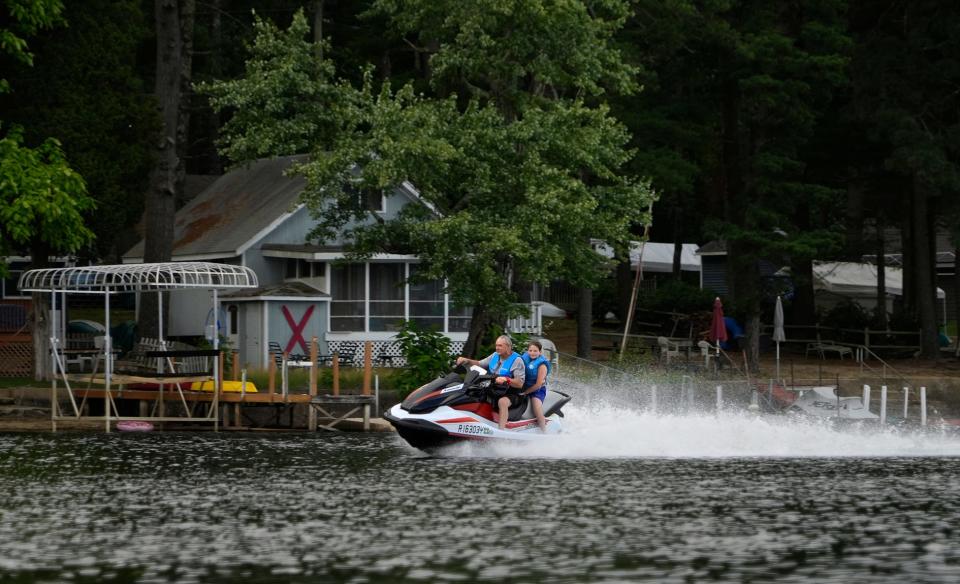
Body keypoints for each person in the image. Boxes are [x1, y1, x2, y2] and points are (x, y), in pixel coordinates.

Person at [456, 335, 525, 430]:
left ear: (508, 347)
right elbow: (480, 363)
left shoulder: (517, 360)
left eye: (500, 345)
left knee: (502, 402)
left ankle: (502, 432)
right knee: (473, 392)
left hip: (511, 393)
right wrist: (467, 360)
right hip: (495, 389)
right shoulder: (495, 355)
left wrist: (507, 379)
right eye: (496, 345)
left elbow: (519, 383)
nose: (497, 348)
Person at [521, 341, 551, 432]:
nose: (532, 353)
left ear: (540, 352)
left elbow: (538, 384)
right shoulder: (524, 359)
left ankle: (544, 431)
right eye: (530, 350)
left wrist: (525, 392)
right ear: (527, 351)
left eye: (535, 351)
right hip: (524, 386)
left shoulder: (542, 365)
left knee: (536, 408)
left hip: (537, 390)